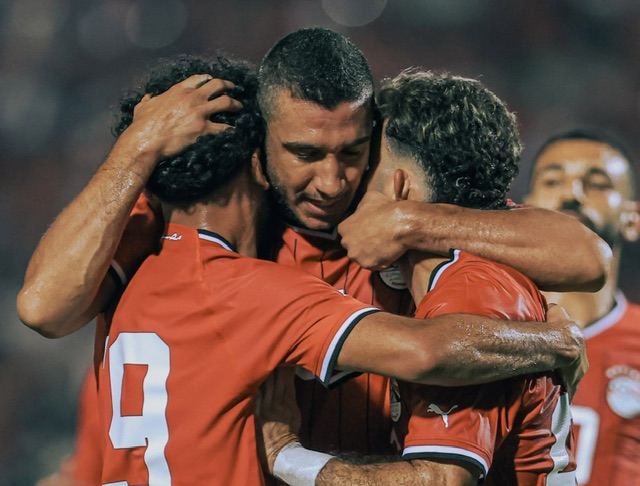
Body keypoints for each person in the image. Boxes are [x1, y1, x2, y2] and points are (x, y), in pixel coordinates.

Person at [19, 28, 602, 483]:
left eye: (351, 152)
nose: (331, 181)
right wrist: (138, 145)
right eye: (304, 153)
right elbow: (45, 307)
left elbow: (586, 257)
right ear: (258, 147)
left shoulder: (396, 200)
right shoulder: (206, 228)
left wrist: (410, 221)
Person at [258, 70, 578, 485]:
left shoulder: (472, 296)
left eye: (365, 163)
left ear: (399, 186)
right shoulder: (477, 267)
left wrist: (286, 456)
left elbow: (438, 481)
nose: (341, 183)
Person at [525, 129, 640, 486]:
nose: (572, 194)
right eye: (553, 180)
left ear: (633, 220)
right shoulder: (487, 329)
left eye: (597, 184)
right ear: (523, 210)